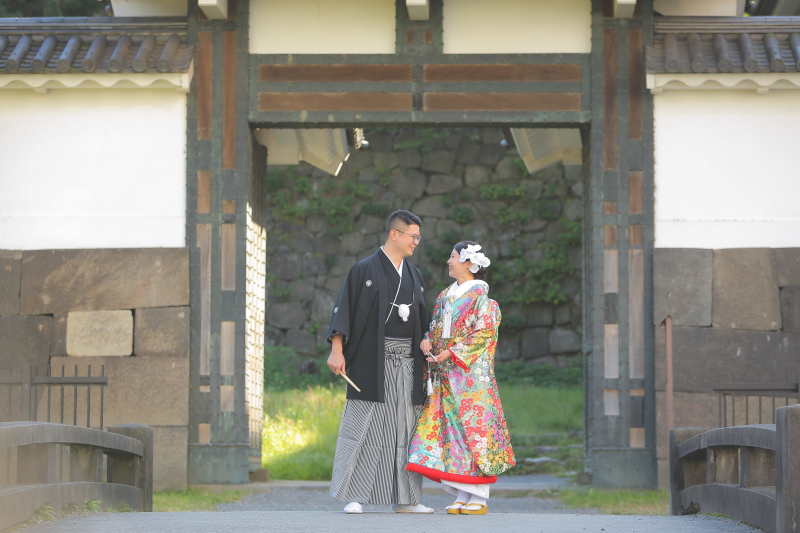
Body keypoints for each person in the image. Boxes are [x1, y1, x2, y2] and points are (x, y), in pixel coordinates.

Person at [326, 210, 434, 514]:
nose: (417, 242)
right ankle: (355, 496)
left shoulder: (415, 276)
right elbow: (343, 309)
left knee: (405, 430)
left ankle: (406, 500)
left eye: (418, 237)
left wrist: (426, 345)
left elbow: (424, 321)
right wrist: (337, 349)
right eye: (413, 236)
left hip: (408, 364)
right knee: (364, 426)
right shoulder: (364, 270)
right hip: (370, 361)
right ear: (395, 234)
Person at [406, 241, 515, 515]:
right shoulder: (445, 295)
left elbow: (483, 334)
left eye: (453, 257)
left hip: (470, 377)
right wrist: (428, 341)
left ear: (469, 263)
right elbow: (435, 326)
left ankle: (478, 495)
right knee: (451, 432)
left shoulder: (482, 299)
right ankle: (461, 491)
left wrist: (452, 352)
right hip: (445, 373)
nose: (448, 261)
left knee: (473, 432)